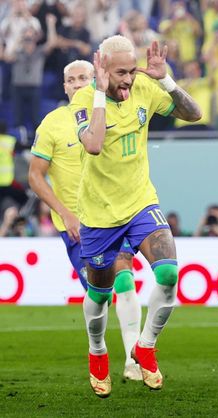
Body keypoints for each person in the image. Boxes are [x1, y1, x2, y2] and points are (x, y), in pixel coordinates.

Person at [70, 35, 201, 397]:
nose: (128, 79)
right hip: (99, 214)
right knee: (99, 294)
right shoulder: (83, 99)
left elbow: (194, 114)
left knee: (169, 272)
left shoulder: (144, 85)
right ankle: (97, 351)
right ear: (103, 71)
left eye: (132, 71)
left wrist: (165, 80)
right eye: (120, 73)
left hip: (141, 202)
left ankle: (145, 346)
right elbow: (93, 145)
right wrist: (98, 90)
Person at [28, 59, 142, 381]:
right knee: (100, 296)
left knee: (124, 280)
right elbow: (35, 177)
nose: (78, 83)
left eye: (84, 77)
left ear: (96, 79)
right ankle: (99, 350)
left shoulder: (113, 113)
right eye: (72, 79)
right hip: (77, 228)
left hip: (113, 217)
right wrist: (65, 213)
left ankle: (135, 360)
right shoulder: (52, 123)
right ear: (64, 86)